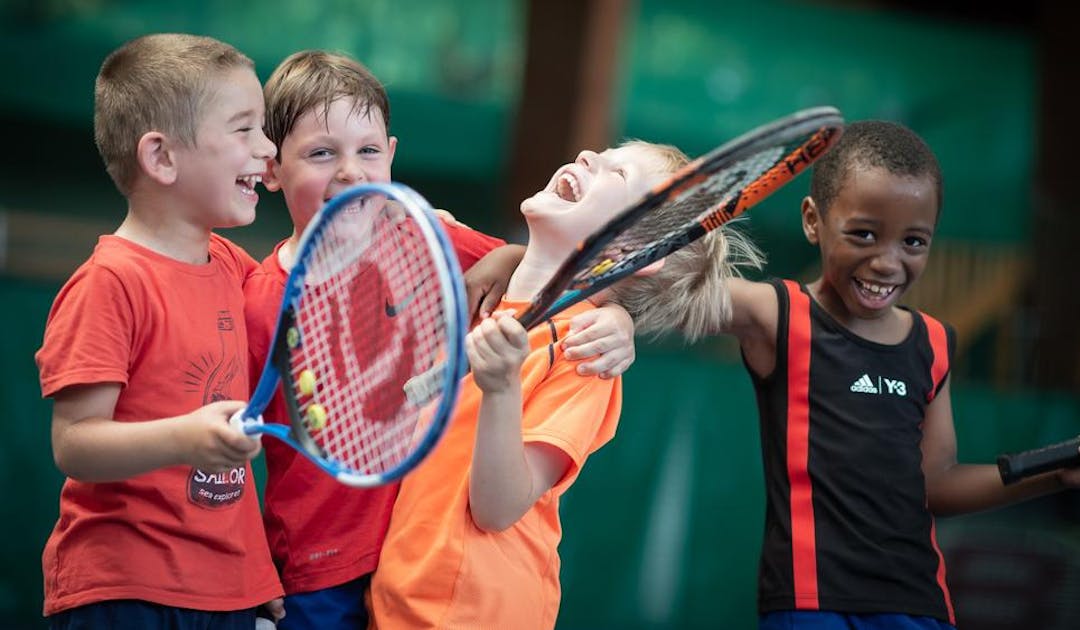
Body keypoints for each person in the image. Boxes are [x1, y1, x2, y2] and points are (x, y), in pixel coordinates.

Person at [611, 120, 1080, 630]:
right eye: (864, 234)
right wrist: (532, 263)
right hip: (812, 606)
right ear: (814, 221)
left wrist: (1054, 475)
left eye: (914, 242)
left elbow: (938, 485)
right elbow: (656, 286)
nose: (887, 261)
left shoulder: (934, 344)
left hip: (921, 606)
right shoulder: (778, 315)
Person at [247, 49, 637, 630]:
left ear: (392, 155)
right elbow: (221, 466)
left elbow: (550, 270)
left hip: (407, 570)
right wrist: (250, 572)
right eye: (322, 153)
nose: (351, 172)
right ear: (271, 168)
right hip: (312, 579)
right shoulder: (254, 298)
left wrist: (622, 319)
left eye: (369, 151)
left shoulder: (428, 239)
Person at [369, 139, 710, 630]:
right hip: (396, 599)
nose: (591, 157)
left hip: (475, 614)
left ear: (631, 251)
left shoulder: (584, 353)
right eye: (605, 152)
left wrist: (501, 387)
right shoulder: (480, 283)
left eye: (617, 175)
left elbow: (498, 507)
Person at [33, 33, 284, 628]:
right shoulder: (110, 283)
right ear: (162, 158)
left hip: (227, 595)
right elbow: (74, 444)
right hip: (125, 594)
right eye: (244, 130)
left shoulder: (232, 265)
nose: (268, 148)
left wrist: (250, 575)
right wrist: (185, 436)